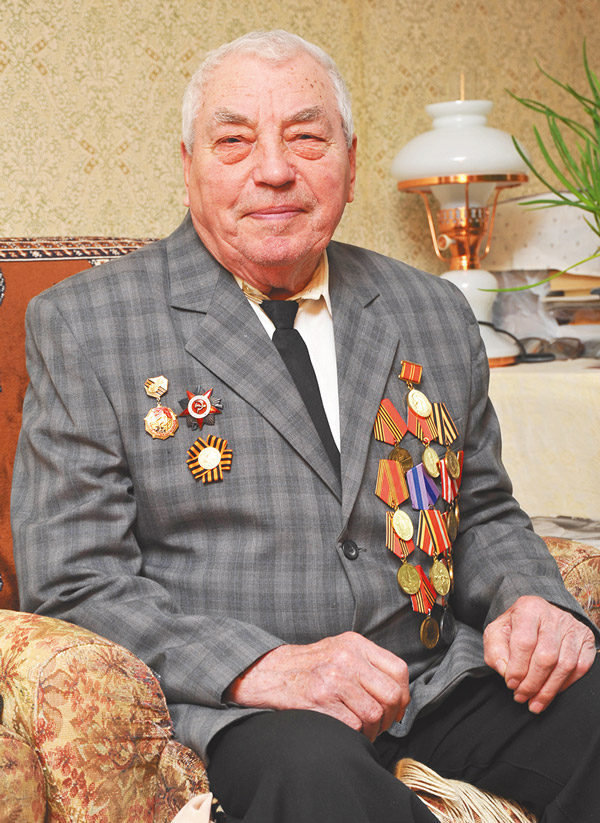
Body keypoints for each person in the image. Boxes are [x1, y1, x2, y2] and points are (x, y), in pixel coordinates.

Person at [11, 29, 599, 823]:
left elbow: (482, 510)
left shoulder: (430, 308)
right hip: (252, 708)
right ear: (188, 165)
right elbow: (74, 580)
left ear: (350, 165)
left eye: (306, 138)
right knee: (318, 780)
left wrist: (531, 599)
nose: (274, 170)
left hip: (433, 678)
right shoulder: (88, 324)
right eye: (234, 141)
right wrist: (262, 665)